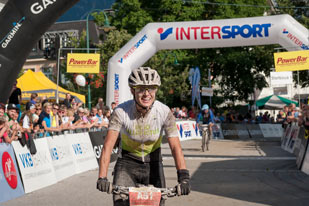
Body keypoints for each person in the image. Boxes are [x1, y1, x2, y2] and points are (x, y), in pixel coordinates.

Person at [97, 67, 190, 205]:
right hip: (127, 164)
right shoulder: (121, 112)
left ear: (156, 90)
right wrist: (102, 177)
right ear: (132, 91)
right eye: (141, 89)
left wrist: (183, 177)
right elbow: (108, 146)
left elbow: (176, 147)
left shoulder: (164, 112)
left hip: (153, 163)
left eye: (151, 88)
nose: (147, 94)